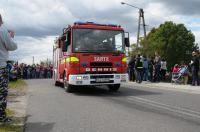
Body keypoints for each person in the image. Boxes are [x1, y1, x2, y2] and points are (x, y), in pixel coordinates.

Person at [0, 14, 17, 123]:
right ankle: (1, 117)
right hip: (1, 66)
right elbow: (12, 46)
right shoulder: (2, 30)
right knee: (1, 93)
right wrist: (10, 36)